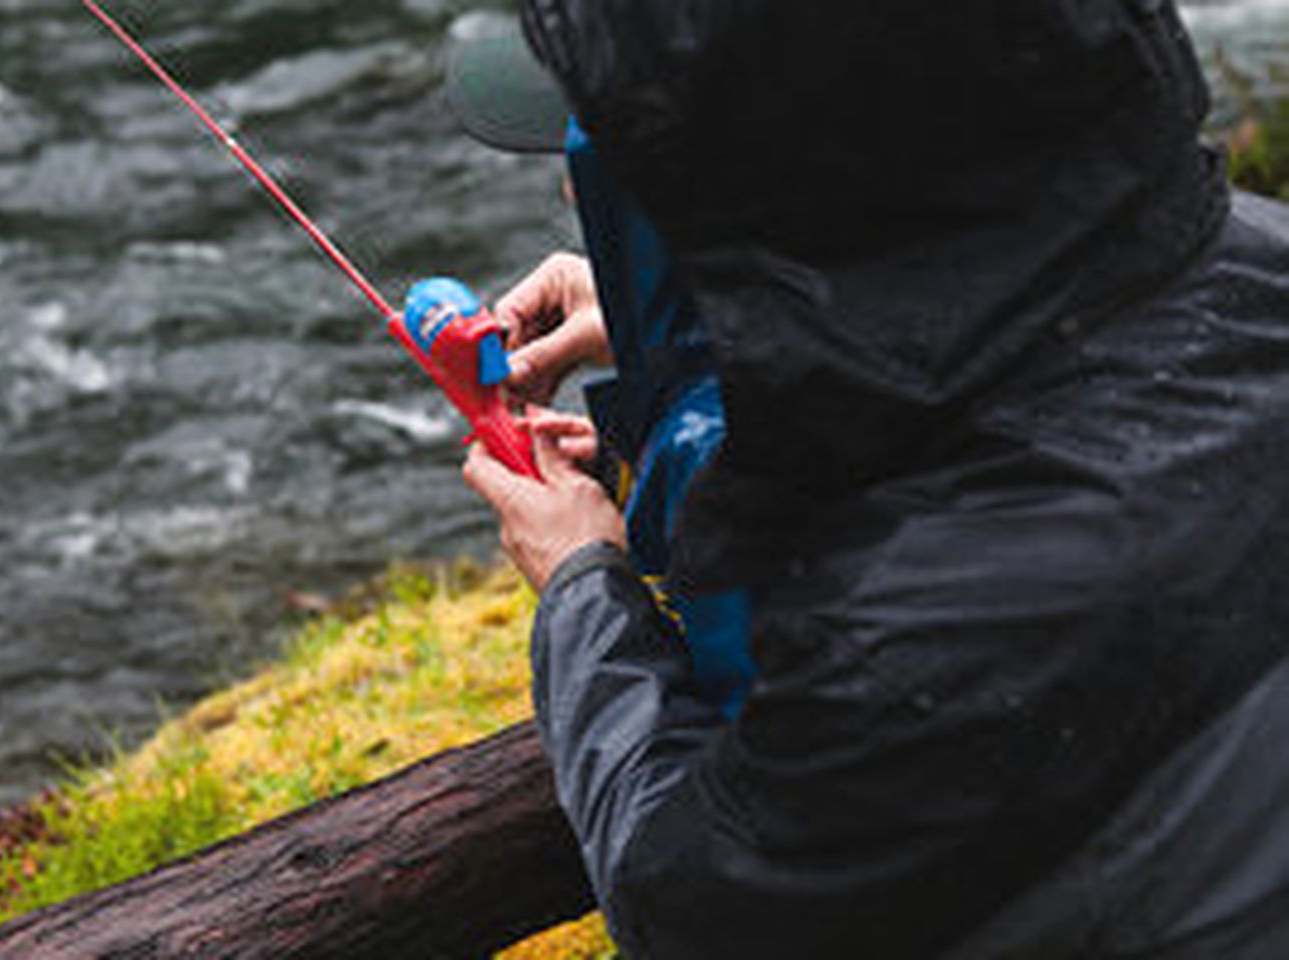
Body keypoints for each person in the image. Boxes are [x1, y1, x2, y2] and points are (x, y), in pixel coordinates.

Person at [452, 2, 1289, 957]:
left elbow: (697, 910)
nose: (575, 193)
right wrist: (710, 321)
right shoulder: (1248, 264)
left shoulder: (921, 638)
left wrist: (580, 586)